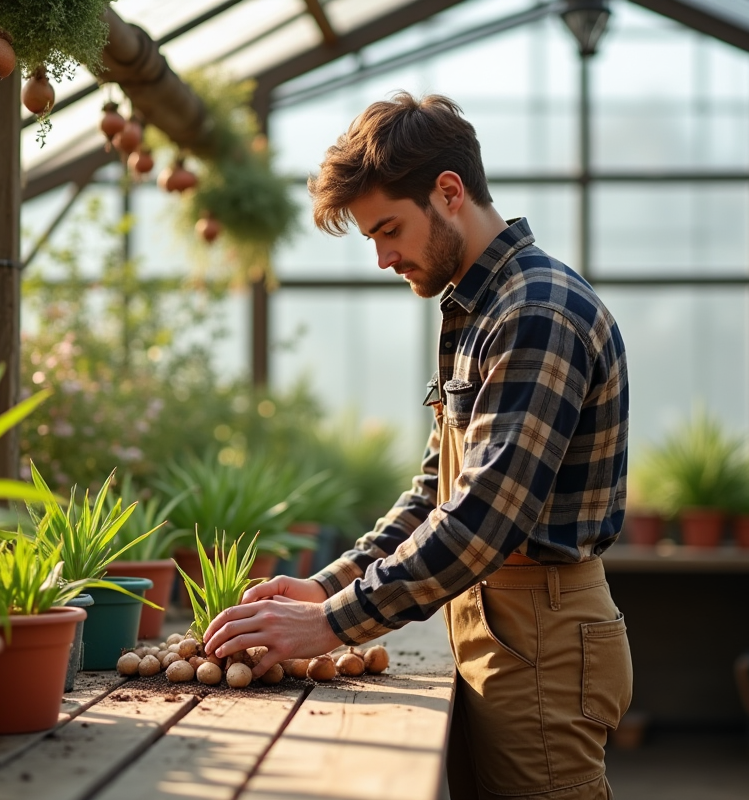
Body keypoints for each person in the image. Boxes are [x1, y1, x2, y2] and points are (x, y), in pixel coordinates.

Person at [203, 92, 632, 800]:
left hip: (540, 635)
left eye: (389, 229)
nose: (382, 257)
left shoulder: (536, 313)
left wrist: (329, 625)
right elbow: (436, 495)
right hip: (491, 619)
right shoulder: (477, 308)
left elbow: (484, 519)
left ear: (449, 192)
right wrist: (325, 585)